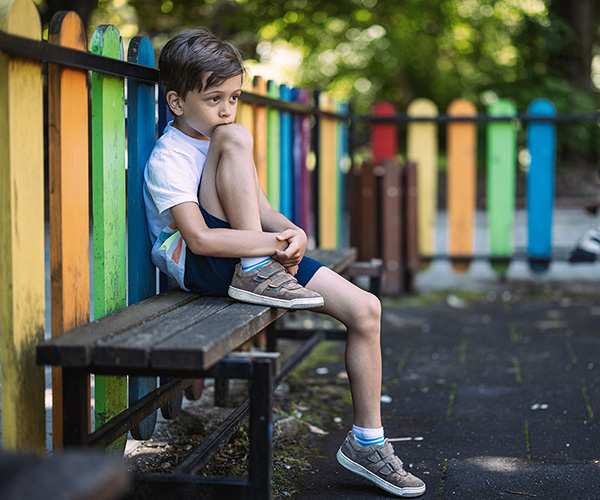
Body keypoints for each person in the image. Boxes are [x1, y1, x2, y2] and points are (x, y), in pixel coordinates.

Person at [143, 27, 426, 498]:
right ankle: (257, 272)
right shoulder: (169, 157)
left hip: (255, 259)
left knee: (366, 309)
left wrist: (290, 231)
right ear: (176, 102)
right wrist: (266, 247)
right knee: (235, 140)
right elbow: (201, 238)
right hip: (208, 265)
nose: (227, 110)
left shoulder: (222, 139)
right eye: (214, 99)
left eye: (234, 97)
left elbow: (261, 208)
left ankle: (367, 443)